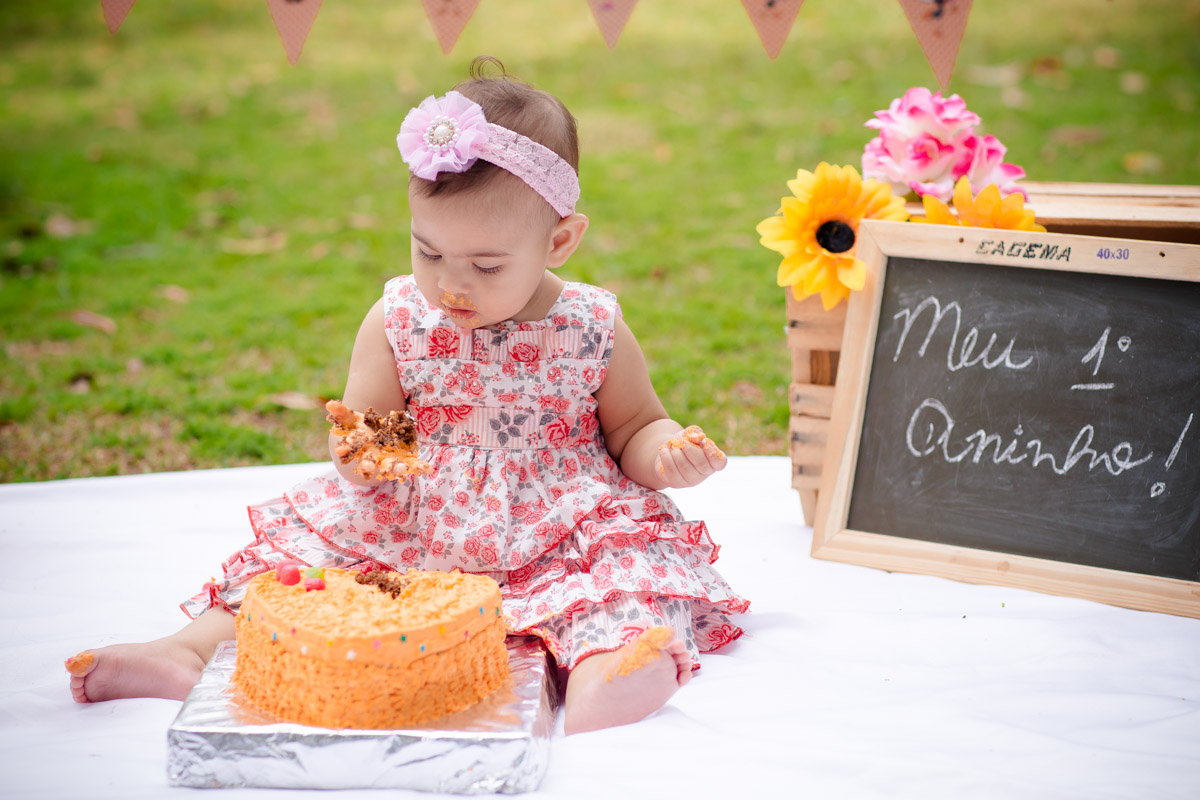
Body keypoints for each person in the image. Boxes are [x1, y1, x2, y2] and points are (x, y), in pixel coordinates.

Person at [66, 57, 749, 735]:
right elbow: (371, 429)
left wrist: (667, 453)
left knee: (618, 577)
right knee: (304, 578)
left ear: (560, 241)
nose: (451, 285)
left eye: (486, 265)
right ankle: (185, 653)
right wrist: (364, 454)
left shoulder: (590, 325)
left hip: (557, 521)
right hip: (417, 520)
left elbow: (634, 428)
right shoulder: (397, 320)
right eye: (428, 252)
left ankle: (607, 672)